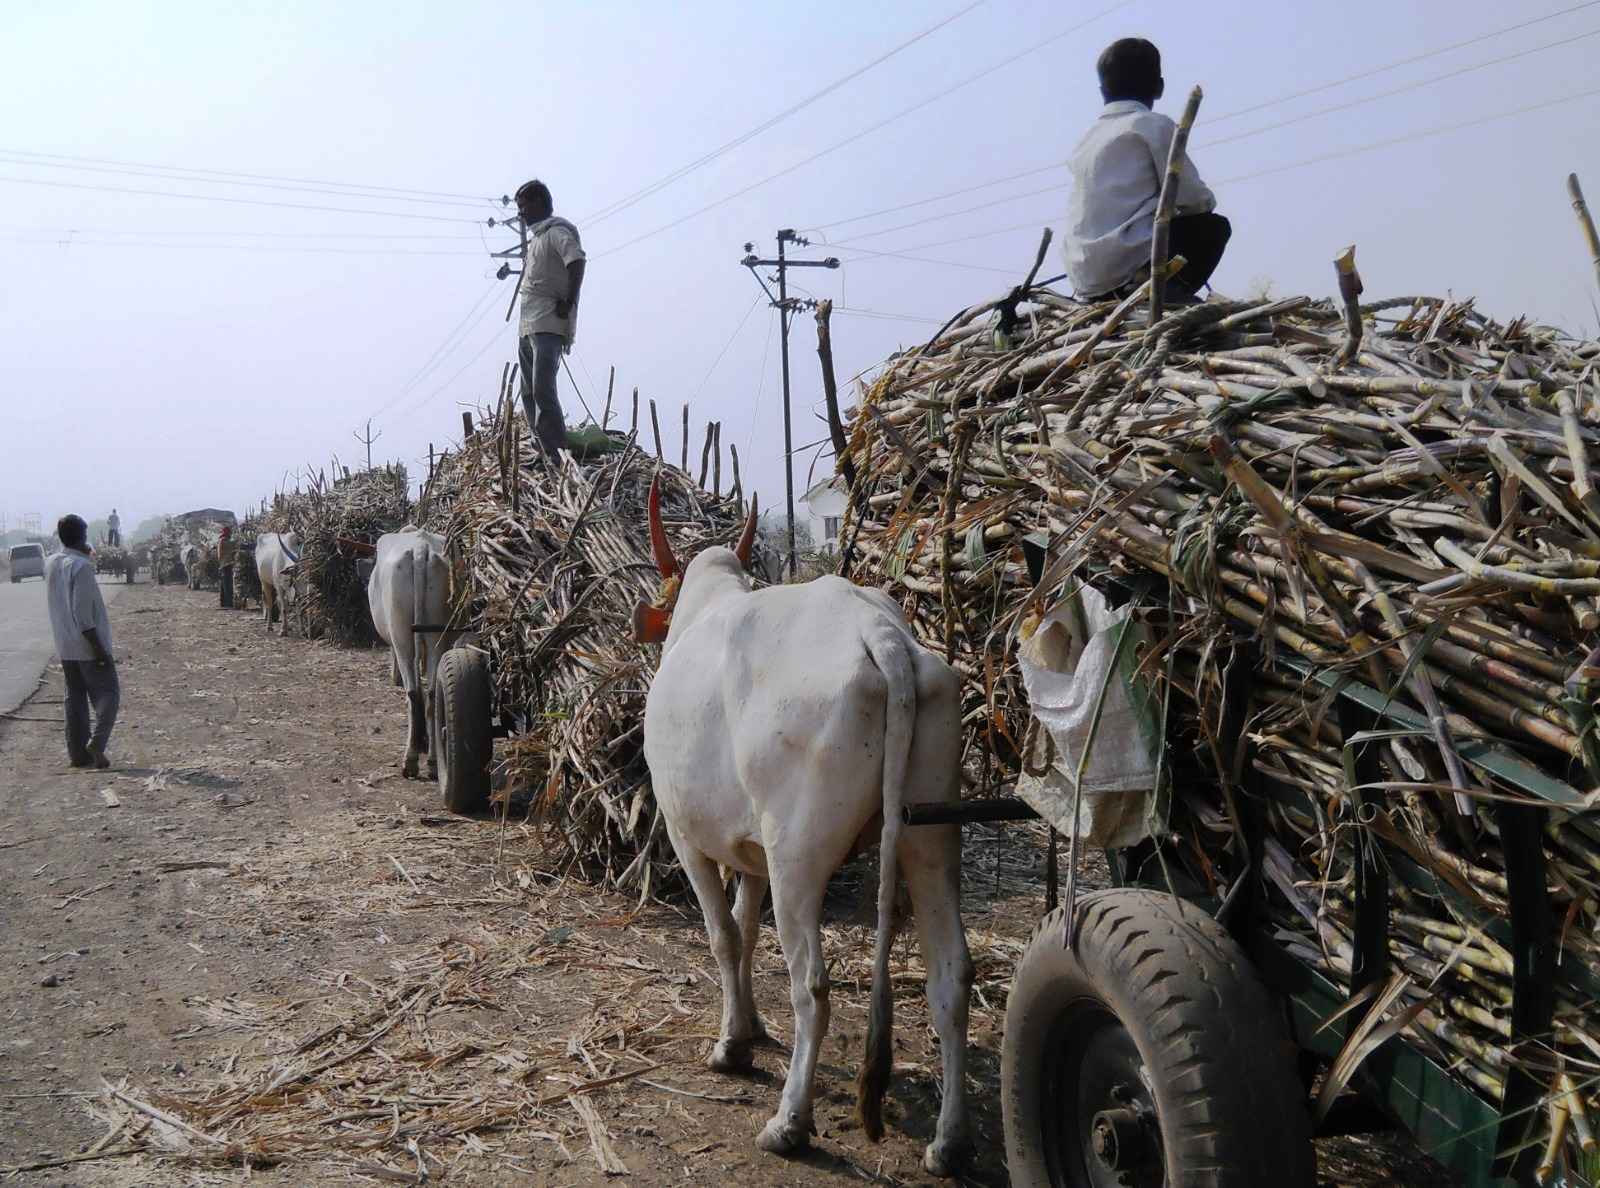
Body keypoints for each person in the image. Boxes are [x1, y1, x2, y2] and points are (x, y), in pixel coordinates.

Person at [1063, 38, 1230, 304]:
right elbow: (1196, 200)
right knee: (1213, 228)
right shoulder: (1153, 126)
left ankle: (1137, 289)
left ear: (1102, 90)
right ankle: (1166, 292)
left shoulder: (1086, 139)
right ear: (1159, 87)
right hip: (1129, 262)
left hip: (1086, 277)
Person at [514, 178, 586, 461]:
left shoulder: (557, 232)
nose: (521, 214)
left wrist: (569, 301)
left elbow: (577, 260)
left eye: (524, 206)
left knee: (543, 386)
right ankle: (540, 444)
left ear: (540, 203)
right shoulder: (537, 238)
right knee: (528, 388)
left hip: (548, 320)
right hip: (528, 322)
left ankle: (555, 450)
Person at [45, 514, 119, 769]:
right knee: (109, 694)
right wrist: (99, 650)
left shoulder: (52, 562)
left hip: (65, 646)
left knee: (74, 700)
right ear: (81, 538)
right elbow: (83, 616)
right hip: (87, 645)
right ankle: (97, 744)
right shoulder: (81, 567)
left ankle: (77, 755)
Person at [217, 525, 236, 609]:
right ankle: (228, 602)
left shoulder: (221, 540)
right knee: (227, 584)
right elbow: (233, 546)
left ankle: (223, 602)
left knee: (224, 584)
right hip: (227, 564)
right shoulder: (225, 541)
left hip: (223, 564)